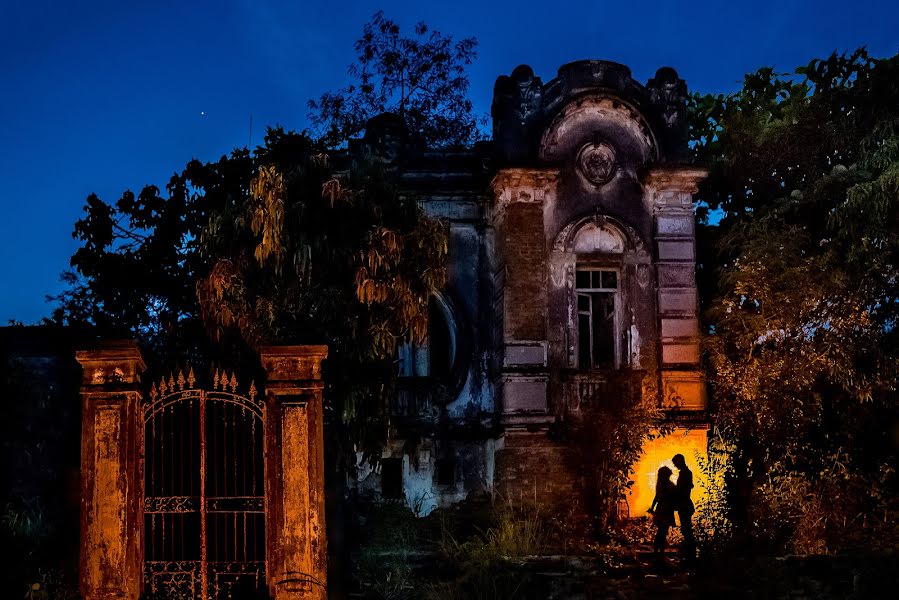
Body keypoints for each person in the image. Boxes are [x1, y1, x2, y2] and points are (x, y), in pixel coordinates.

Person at [648, 466, 676, 554]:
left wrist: (652, 508)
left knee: (661, 531)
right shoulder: (669, 485)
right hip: (666, 510)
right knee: (663, 532)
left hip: (660, 509)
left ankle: (657, 551)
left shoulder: (660, 485)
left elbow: (656, 497)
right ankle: (660, 552)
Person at [672, 453, 695, 558]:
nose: (675, 466)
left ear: (680, 461)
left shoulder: (685, 473)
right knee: (686, 528)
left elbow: (682, 490)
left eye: (676, 463)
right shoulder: (686, 473)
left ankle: (690, 552)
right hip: (685, 504)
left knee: (686, 528)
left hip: (684, 505)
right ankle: (689, 551)